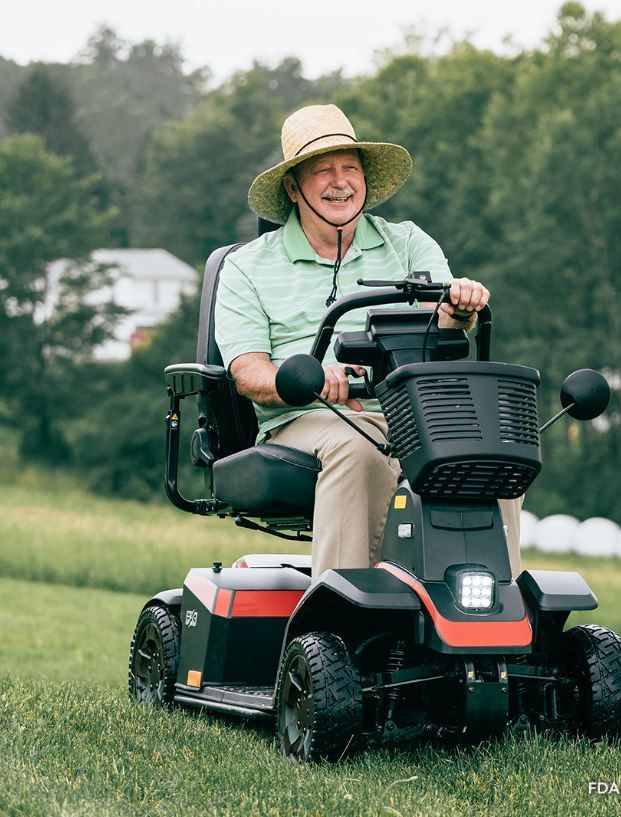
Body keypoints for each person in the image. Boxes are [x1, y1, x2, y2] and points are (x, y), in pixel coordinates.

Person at [215, 104, 521, 579]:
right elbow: (248, 371)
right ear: (294, 188)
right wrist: (313, 379)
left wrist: (458, 307)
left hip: (409, 412)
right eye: (323, 171)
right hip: (307, 419)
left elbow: (441, 323)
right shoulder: (247, 268)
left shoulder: (409, 243)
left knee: (489, 448)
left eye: (350, 168)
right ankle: (337, 622)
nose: (341, 182)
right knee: (359, 448)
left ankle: (493, 607)